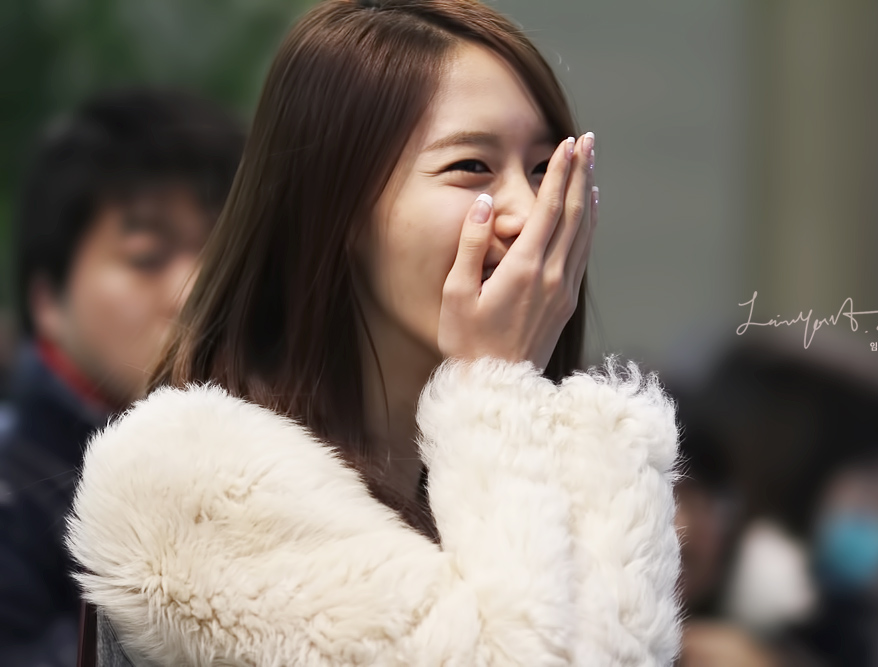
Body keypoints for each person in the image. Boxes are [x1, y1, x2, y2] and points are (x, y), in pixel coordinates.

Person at [66, 1, 683, 665]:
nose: (528, 213)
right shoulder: (197, 491)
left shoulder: (539, 470)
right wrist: (495, 382)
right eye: (472, 166)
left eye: (543, 169)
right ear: (335, 207)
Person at [0, 89, 244, 665]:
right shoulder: (16, 519)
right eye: (147, 255)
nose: (193, 291)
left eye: (222, 256)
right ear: (47, 300)